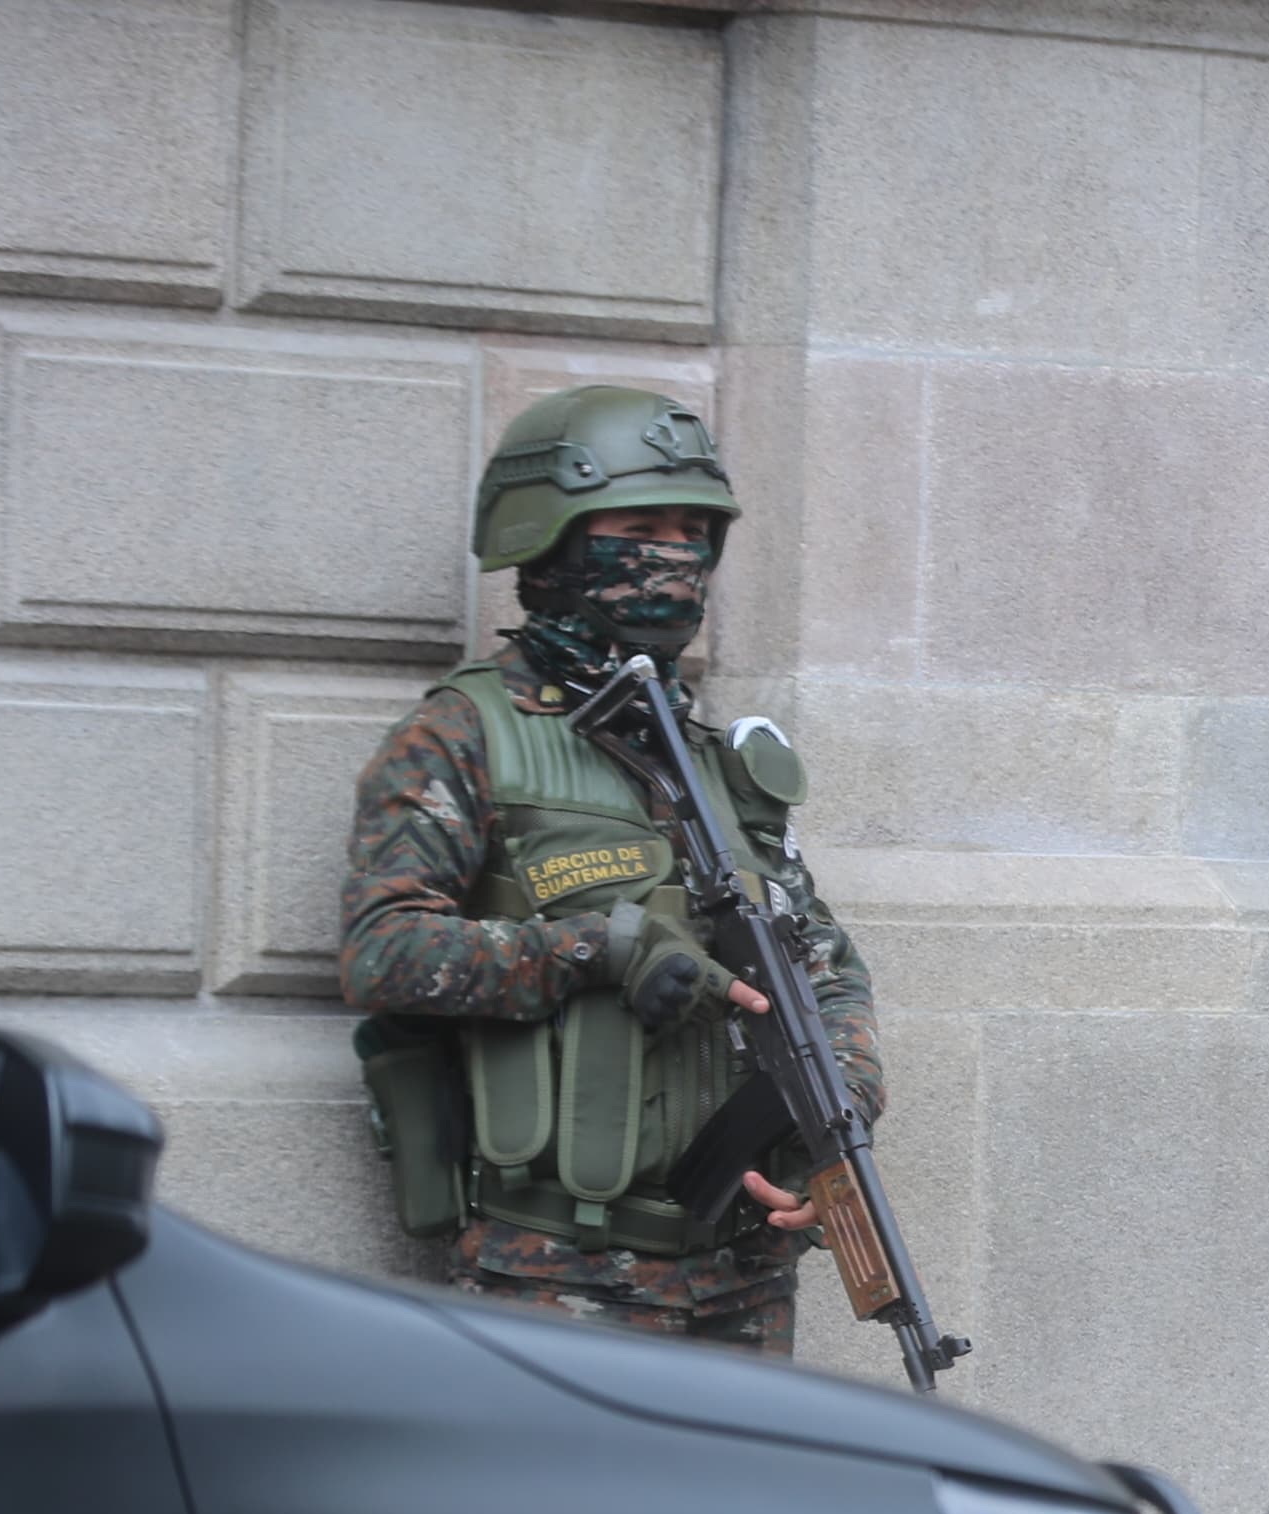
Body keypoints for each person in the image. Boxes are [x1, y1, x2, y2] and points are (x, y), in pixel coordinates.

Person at [340, 385, 881, 1355]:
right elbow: (383, 953)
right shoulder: (464, 735)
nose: (671, 555)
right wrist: (595, 948)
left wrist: (829, 1130)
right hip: (551, 1282)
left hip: (742, 1281)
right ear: (550, 539)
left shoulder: (718, 764)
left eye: (691, 529)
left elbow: (826, 969)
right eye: (638, 526)